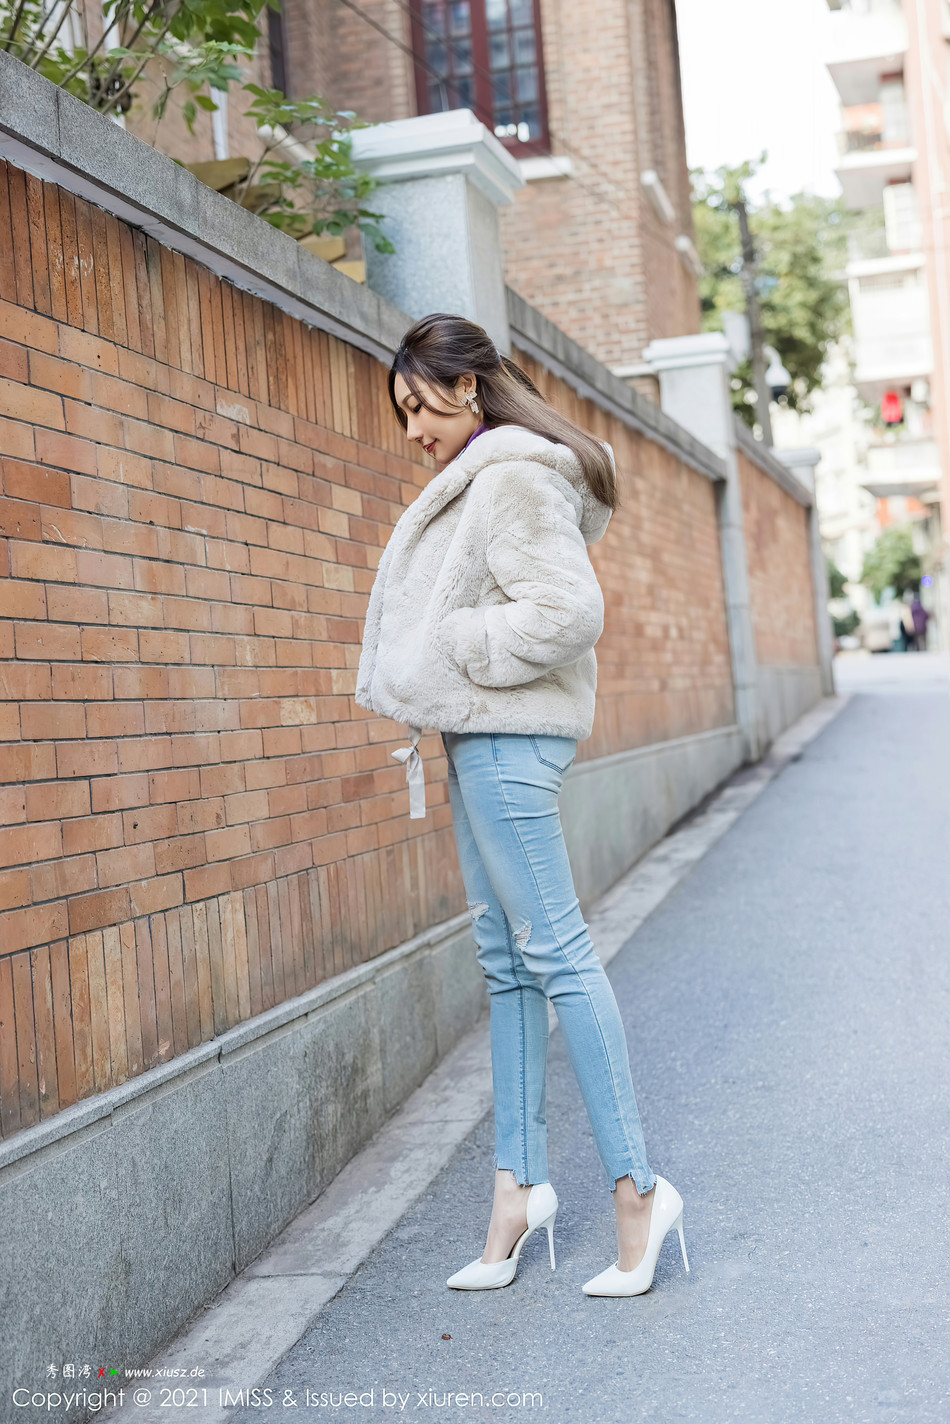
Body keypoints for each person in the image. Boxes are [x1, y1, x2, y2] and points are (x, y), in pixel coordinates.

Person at [355, 313, 689, 1298]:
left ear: (467, 386)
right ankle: (517, 1189)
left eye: (419, 405)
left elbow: (568, 610)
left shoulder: (509, 476)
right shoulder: (484, 474)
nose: (412, 429)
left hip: (509, 737)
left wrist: (459, 641)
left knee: (558, 956)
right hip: (478, 735)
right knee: (505, 961)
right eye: (401, 412)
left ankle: (638, 1191)